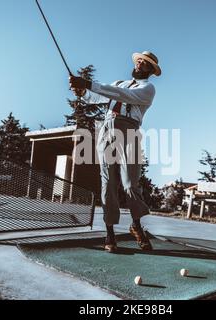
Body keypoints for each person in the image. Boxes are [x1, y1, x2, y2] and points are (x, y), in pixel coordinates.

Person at [69, 51, 161, 253]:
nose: (140, 65)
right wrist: (83, 92)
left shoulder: (148, 88)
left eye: (145, 64)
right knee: (108, 182)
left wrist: (88, 84)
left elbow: (122, 95)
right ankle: (110, 233)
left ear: (151, 71)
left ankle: (136, 225)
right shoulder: (119, 82)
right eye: (139, 61)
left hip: (130, 131)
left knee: (130, 184)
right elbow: (100, 97)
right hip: (108, 129)